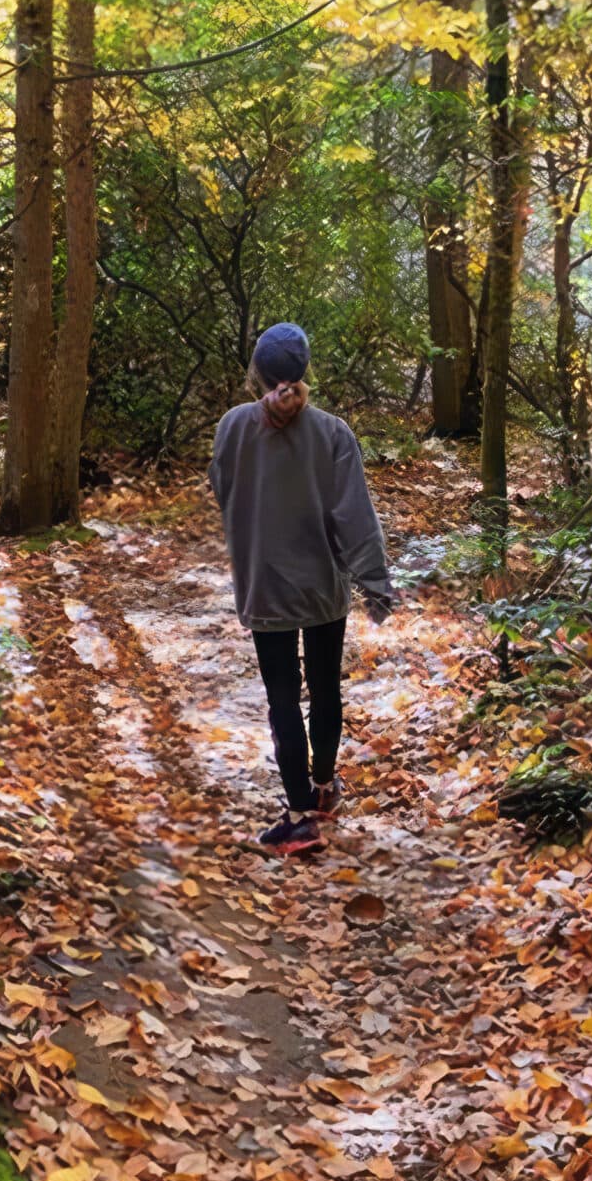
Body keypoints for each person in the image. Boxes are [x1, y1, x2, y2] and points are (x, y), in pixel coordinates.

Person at [208, 322, 395, 856]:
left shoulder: (232, 427)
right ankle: (323, 786)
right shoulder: (333, 433)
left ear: (257, 373)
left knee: (284, 699)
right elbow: (356, 517)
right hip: (322, 588)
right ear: (305, 371)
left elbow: (223, 490)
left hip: (266, 585)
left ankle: (297, 816)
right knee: (325, 689)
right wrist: (376, 585)